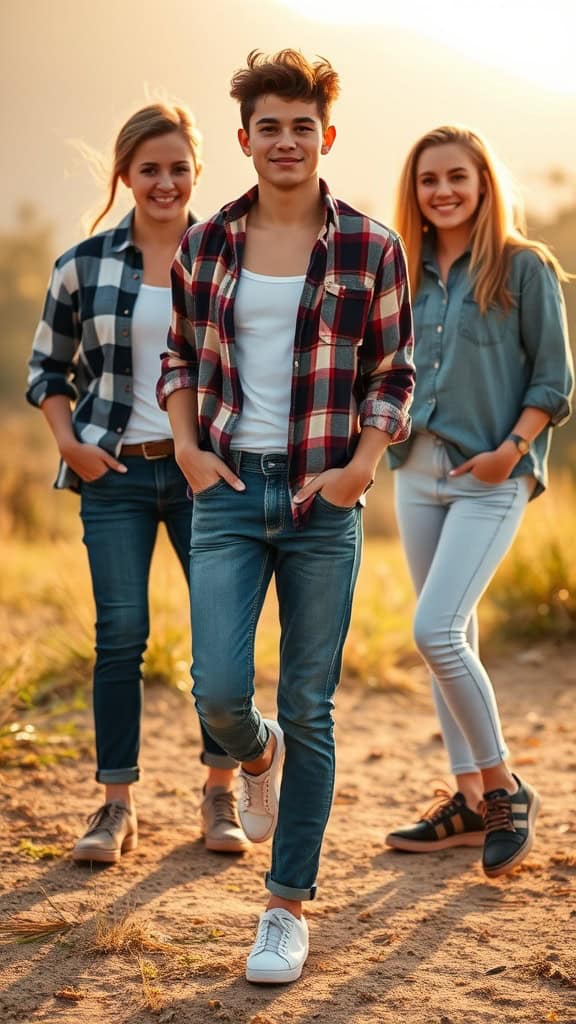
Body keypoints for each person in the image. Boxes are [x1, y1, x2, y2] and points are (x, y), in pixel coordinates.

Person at [157, 50, 414, 983]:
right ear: (245, 140)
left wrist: (358, 469)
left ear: (327, 137)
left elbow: (395, 376)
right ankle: (251, 755)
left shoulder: (369, 247)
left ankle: (284, 907)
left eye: (303, 125)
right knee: (218, 691)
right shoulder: (207, 244)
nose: (287, 140)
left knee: (310, 704)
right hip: (225, 490)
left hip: (320, 500)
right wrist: (188, 449)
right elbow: (180, 359)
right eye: (270, 125)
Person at [27, 103, 249, 864]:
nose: (165, 182)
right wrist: (70, 445)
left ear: (197, 171)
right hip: (113, 473)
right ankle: (115, 806)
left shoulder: (229, 255)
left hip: (204, 477)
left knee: (217, 639)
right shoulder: (81, 264)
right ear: (124, 175)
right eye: (149, 169)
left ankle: (218, 792)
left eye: (178, 168)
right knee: (121, 636)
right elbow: (46, 371)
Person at [385, 125, 573, 877]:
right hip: (416, 472)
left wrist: (511, 451)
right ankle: (465, 802)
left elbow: (555, 381)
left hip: (494, 474)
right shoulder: (403, 272)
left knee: (434, 630)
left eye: (457, 176)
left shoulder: (525, 268)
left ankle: (503, 789)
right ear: (416, 192)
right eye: (429, 179)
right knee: (448, 640)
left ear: (484, 181)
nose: (444, 191)